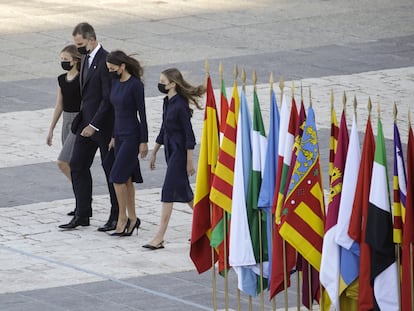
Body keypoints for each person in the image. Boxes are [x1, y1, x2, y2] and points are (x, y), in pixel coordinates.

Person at [59, 22, 119, 231]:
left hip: (103, 126)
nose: (79, 48)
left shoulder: (106, 60)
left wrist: (94, 124)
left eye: (81, 43)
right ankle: (82, 213)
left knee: (110, 169)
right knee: (77, 165)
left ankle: (116, 215)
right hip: (85, 124)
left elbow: (107, 98)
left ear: (92, 39)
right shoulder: (85, 58)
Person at [143, 68, 204, 250]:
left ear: (172, 84)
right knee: (185, 193)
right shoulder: (167, 101)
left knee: (168, 192)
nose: (160, 84)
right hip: (170, 151)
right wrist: (155, 150)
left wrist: (189, 161)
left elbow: (189, 135)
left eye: (163, 81)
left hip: (179, 153)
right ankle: (207, 226)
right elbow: (164, 128)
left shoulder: (180, 105)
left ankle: (159, 237)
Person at [105, 50, 148, 236]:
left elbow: (143, 114)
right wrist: (114, 136)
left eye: (113, 68)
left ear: (122, 66)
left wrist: (144, 141)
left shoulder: (135, 85)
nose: (111, 71)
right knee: (127, 179)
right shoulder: (114, 82)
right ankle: (133, 218)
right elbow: (115, 112)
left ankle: (122, 217)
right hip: (119, 136)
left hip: (132, 135)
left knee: (117, 178)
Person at [46, 44, 81, 186]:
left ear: (75, 60)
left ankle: (80, 188)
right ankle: (81, 195)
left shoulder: (81, 79)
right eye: (61, 59)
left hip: (78, 120)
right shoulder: (61, 79)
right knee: (71, 162)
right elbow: (59, 104)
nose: (63, 61)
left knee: (63, 161)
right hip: (66, 121)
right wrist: (51, 128)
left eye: (66, 59)